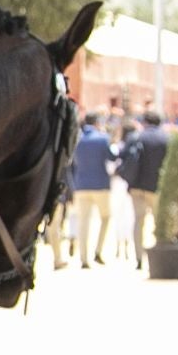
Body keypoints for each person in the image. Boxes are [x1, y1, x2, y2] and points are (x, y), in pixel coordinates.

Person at [119, 108, 171, 258]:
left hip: (136, 186)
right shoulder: (166, 139)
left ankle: (139, 256)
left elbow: (122, 157)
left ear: (145, 122)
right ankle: (158, 253)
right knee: (158, 221)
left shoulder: (135, 137)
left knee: (138, 221)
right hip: (155, 187)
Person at [69, 110, 115, 267]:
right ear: (96, 123)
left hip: (80, 185)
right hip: (100, 185)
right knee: (106, 217)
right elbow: (111, 158)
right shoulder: (102, 139)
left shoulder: (77, 139)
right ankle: (98, 251)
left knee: (83, 222)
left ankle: (83, 258)